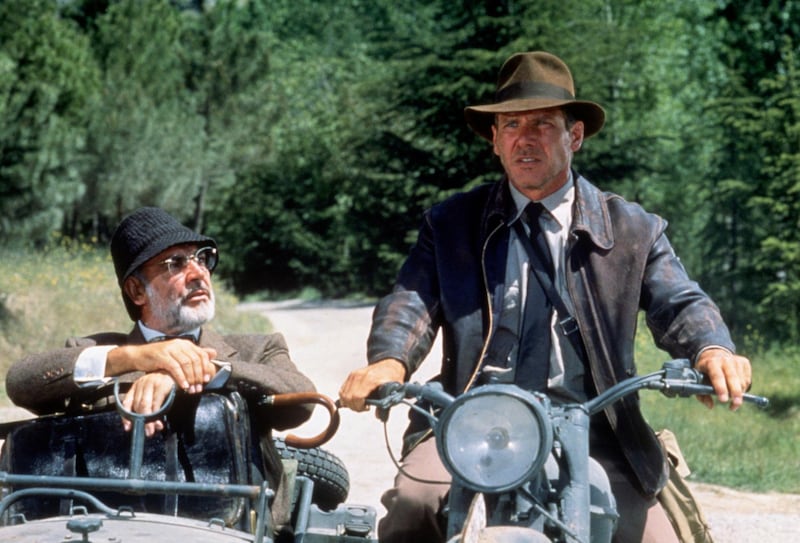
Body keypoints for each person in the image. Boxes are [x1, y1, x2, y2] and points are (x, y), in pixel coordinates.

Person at [338, 51, 752, 543]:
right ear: (495, 140)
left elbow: (678, 299)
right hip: (470, 417)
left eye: (542, 124)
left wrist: (712, 348)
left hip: (596, 425)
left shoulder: (632, 230)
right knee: (413, 507)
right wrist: (390, 362)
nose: (524, 138)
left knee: (658, 539)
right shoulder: (451, 224)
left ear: (573, 137)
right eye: (511, 124)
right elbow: (411, 301)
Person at [5, 206, 316, 531]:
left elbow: (304, 402)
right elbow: (20, 382)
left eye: (201, 258)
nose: (198, 273)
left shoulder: (257, 348)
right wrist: (135, 358)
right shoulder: (96, 351)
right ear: (137, 291)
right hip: (112, 530)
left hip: (233, 529)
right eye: (176, 264)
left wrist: (201, 369)